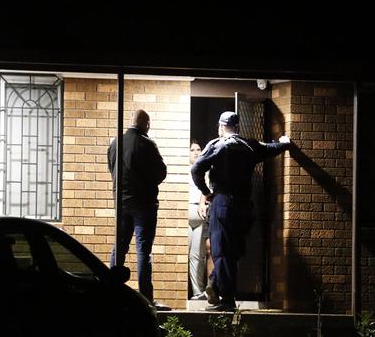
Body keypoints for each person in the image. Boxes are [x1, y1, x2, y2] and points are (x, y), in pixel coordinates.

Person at [191, 111, 291, 311]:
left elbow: (196, 170)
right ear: (237, 127)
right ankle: (214, 283)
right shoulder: (250, 146)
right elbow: (271, 148)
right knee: (234, 251)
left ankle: (226, 300)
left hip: (223, 203)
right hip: (245, 206)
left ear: (221, 127)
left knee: (221, 252)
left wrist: (205, 191)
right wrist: (285, 142)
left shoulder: (216, 145)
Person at [107, 109, 170, 310]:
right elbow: (161, 172)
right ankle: (146, 299)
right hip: (144, 204)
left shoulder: (115, 142)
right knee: (144, 251)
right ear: (146, 123)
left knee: (120, 247)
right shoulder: (147, 143)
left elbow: (111, 168)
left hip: (122, 202)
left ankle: (111, 292)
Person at [188, 139, 209, 300]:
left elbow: (208, 189)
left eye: (198, 149)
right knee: (187, 253)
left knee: (198, 254)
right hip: (187, 211)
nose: (196, 152)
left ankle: (198, 291)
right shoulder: (184, 171)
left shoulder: (204, 171)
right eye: (192, 149)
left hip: (200, 211)